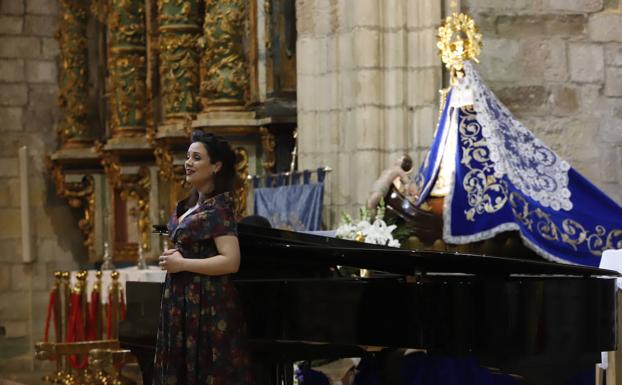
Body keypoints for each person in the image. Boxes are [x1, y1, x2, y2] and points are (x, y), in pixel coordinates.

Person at [153, 130, 253, 385]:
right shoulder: (188, 206)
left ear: (216, 166)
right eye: (188, 157)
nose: (188, 163)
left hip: (207, 305)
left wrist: (183, 263)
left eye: (196, 158)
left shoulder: (219, 208)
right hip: (182, 301)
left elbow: (231, 261)